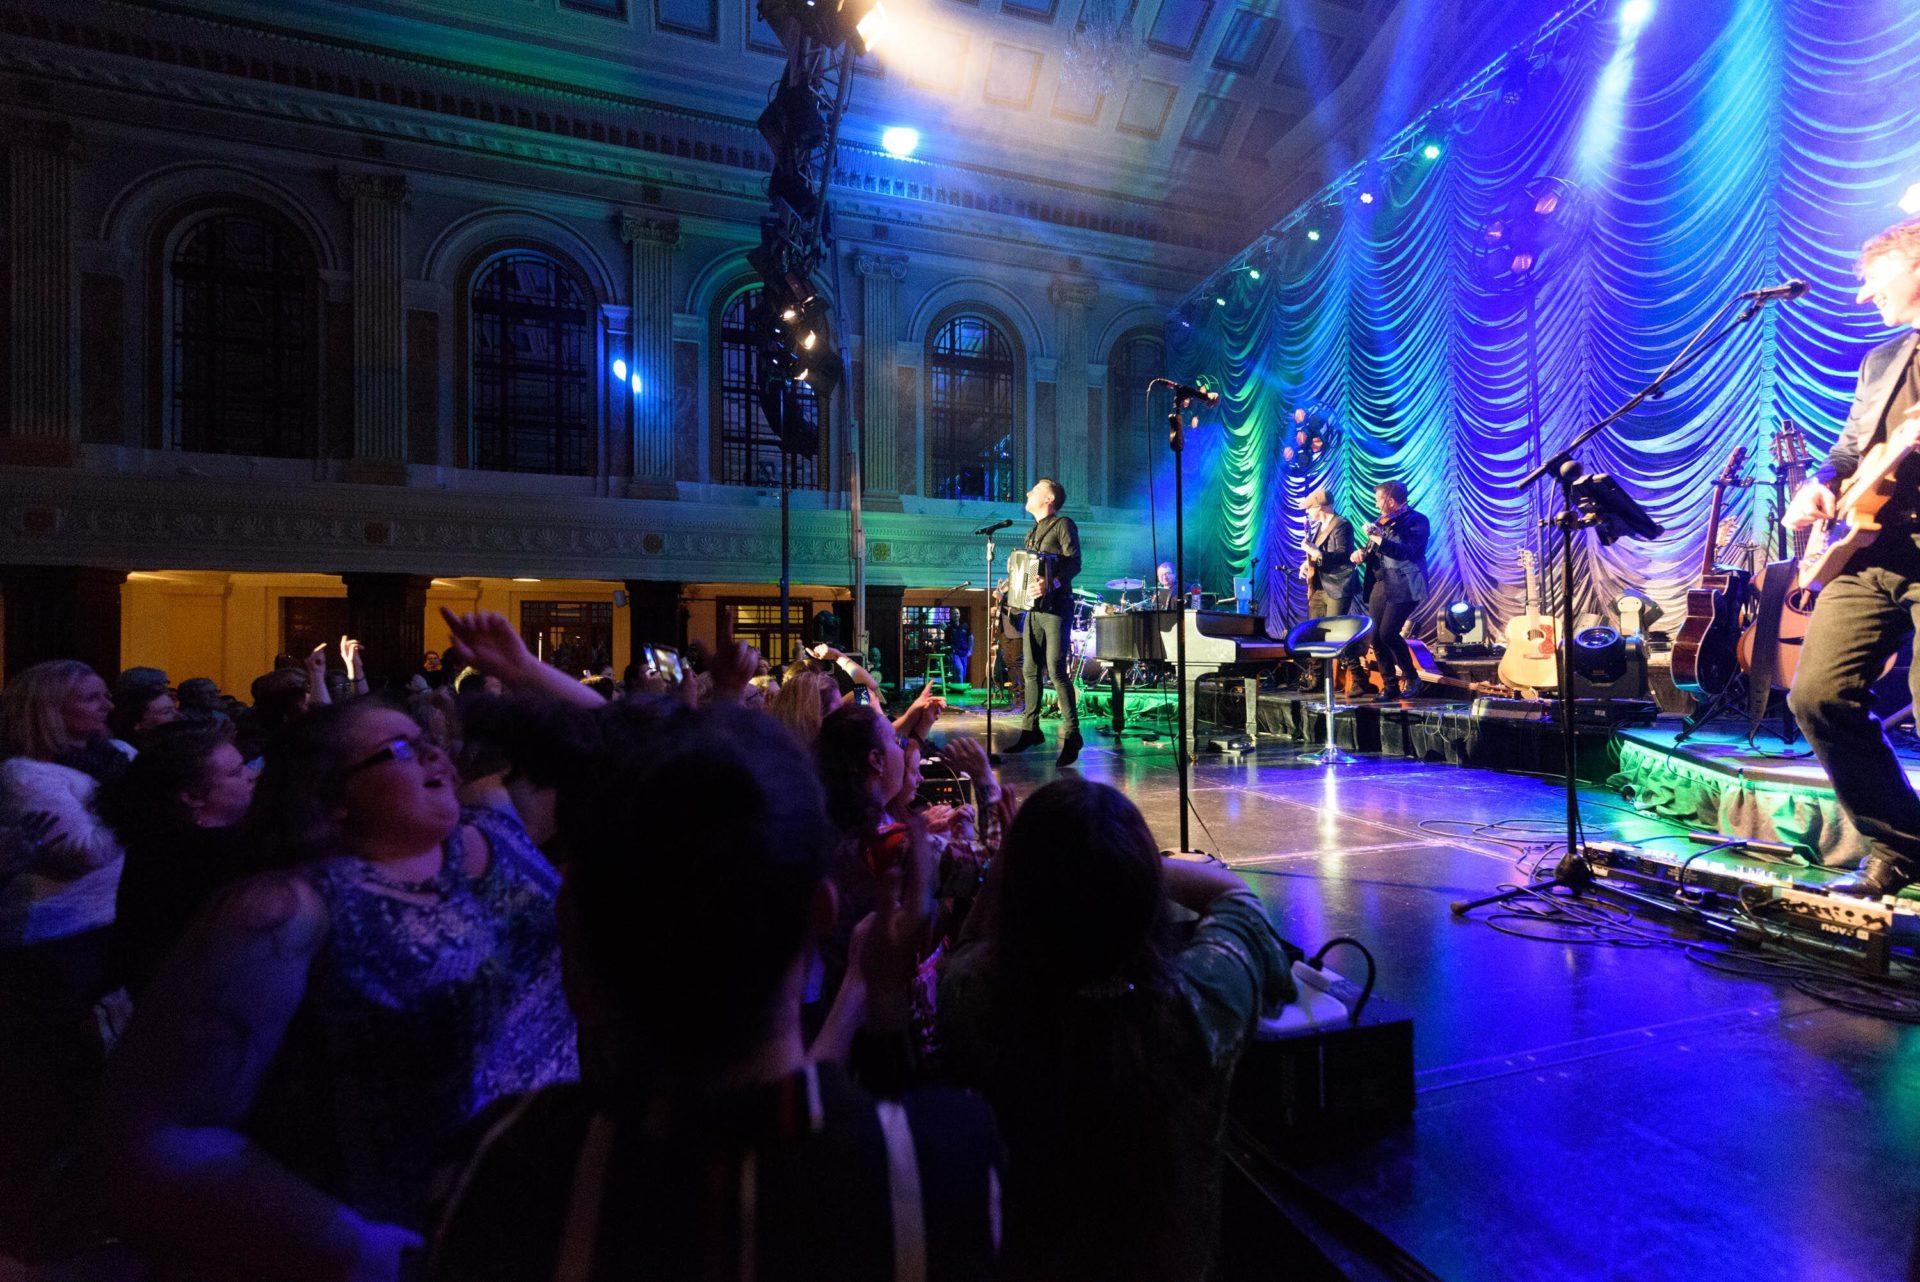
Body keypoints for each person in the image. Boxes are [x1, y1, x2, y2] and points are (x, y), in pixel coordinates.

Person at [424, 703, 1004, 1282]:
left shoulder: (503, 1171)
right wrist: (877, 1002)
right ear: (819, 914)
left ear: (577, 940)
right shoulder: (943, 1163)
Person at [96, 700, 579, 1279]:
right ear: (329, 796)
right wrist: (356, 1249)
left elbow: (619, 749)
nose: (431, 751)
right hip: (417, 1238)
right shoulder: (284, 911)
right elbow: (159, 1130)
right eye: (398, 748)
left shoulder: (495, 828)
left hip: (550, 1206)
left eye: (428, 738)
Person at [936, 778, 1292, 1282]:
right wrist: (1131, 867)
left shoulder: (976, 1004)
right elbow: (1240, 903)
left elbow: (969, 949)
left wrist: (1027, 863)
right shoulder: (1199, 1009)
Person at [1784, 217, 1920, 898]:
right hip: (1865, 551)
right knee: (1817, 697)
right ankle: (1901, 843)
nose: (1864, 296)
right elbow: (1849, 447)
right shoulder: (1882, 359)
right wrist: (1821, 483)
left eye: (1872, 278)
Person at [0, 661, 127, 1204]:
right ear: (51, 710)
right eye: (93, 698)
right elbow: (82, 853)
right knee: (58, 1074)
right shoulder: (27, 776)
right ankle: (40, 1203)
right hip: (54, 938)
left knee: (101, 1067)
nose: (109, 706)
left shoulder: (110, 758)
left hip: (105, 925)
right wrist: (137, 809)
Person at [96, 721, 256, 998]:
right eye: (235, 772)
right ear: (193, 796)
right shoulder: (195, 856)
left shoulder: (178, 840)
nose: (252, 775)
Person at [1004, 477, 1083, 767]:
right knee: (1029, 669)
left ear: (1049, 498)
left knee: (1056, 670)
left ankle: (1073, 734)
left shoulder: (1063, 524)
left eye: (1034, 489)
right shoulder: (1032, 532)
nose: (1028, 492)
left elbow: (1074, 561)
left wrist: (1053, 582)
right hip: (1033, 610)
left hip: (1057, 606)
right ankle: (1030, 729)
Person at [1350, 480, 1431, 700]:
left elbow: (1406, 551)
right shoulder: (1384, 522)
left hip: (1405, 584)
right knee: (1375, 637)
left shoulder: (1417, 521)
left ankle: (1413, 678)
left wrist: (1378, 537)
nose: (1377, 505)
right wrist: (1361, 553)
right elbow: (1376, 550)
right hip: (1380, 584)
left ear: (1391, 500)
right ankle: (1390, 685)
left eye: (1379, 500)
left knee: (1388, 632)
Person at [1296, 488, 1362, 690]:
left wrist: (1316, 552)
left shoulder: (1341, 524)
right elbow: (1318, 556)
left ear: (1319, 507)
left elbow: (1343, 555)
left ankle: (1359, 679)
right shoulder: (1318, 527)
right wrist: (1307, 564)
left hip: (1338, 585)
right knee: (1317, 632)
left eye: (1309, 509)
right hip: (1319, 586)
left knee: (1336, 632)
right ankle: (1316, 679)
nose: (1307, 513)